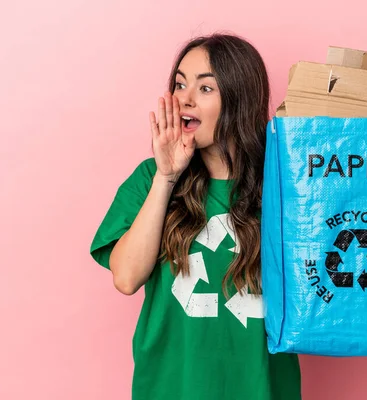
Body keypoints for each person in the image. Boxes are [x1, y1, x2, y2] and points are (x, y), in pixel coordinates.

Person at [90, 32, 301, 400]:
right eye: (180, 84)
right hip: (172, 389)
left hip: (261, 389)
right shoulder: (149, 180)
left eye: (205, 89)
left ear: (239, 100)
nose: (183, 98)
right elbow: (125, 277)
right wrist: (166, 177)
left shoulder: (287, 185)